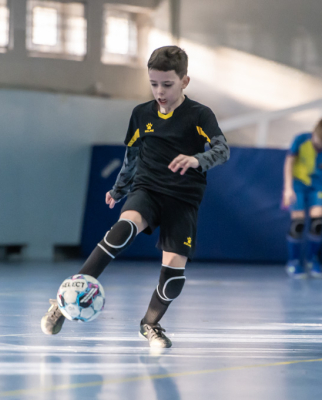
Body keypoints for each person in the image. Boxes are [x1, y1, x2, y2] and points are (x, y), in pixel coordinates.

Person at [41, 45, 230, 348]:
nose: (160, 91)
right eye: (154, 84)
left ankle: (150, 324)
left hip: (183, 200)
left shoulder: (199, 115)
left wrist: (197, 160)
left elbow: (222, 150)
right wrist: (119, 189)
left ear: (184, 81)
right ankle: (65, 301)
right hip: (148, 188)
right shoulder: (141, 114)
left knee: (173, 280)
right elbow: (132, 156)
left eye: (167, 84)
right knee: (123, 230)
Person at [282, 118, 322, 279]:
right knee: (298, 223)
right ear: (314, 132)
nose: (320, 146)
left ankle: (312, 259)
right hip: (298, 185)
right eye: (319, 142)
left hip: (318, 186)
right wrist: (288, 189)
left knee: (318, 223)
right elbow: (289, 163)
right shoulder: (300, 140)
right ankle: (294, 262)